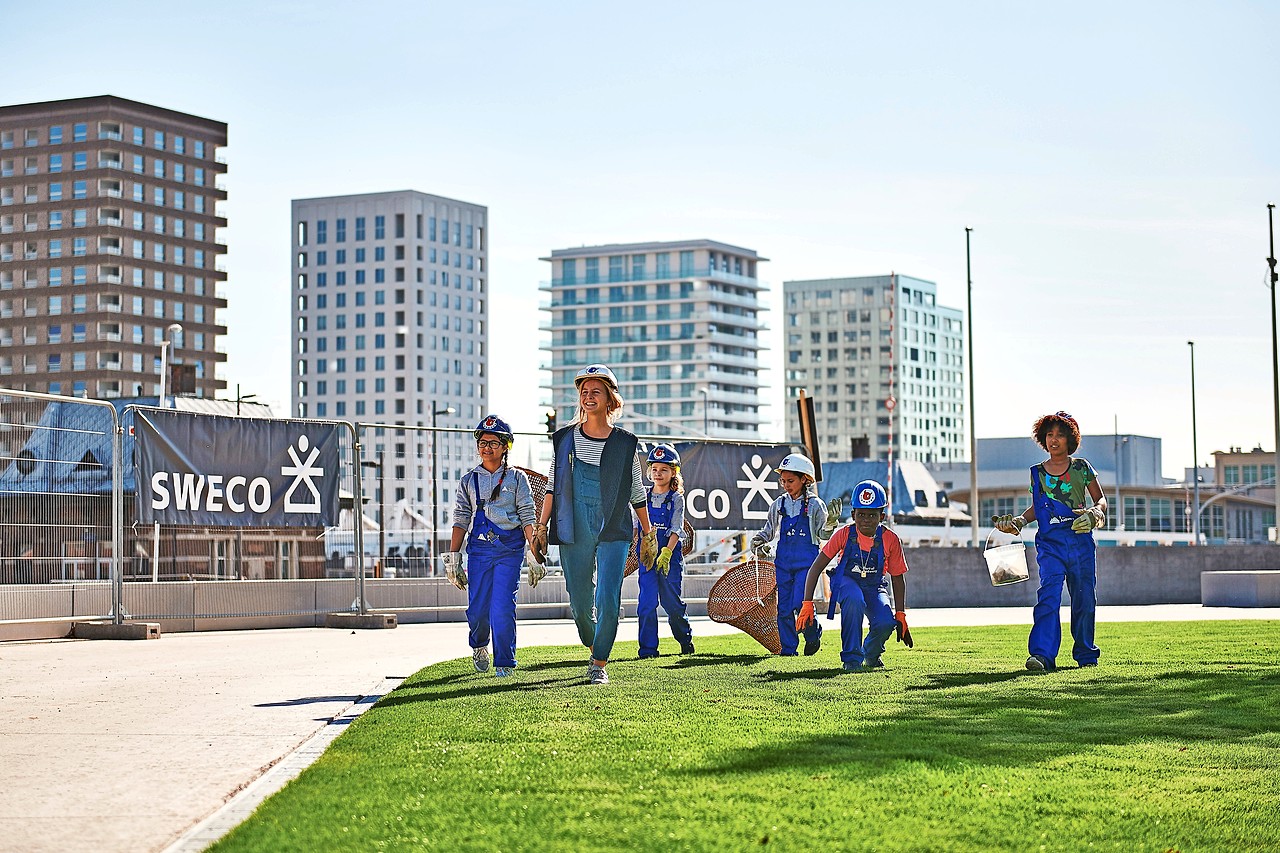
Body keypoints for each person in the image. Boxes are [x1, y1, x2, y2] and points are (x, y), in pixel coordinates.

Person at [533, 364, 655, 685]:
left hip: (614, 523)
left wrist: (648, 532)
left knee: (608, 596)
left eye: (595, 392)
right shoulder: (564, 439)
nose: (588, 397)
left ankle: (599, 662)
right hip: (574, 523)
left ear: (609, 399)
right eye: (584, 392)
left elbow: (636, 489)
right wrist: (541, 526)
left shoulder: (626, 442)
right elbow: (552, 484)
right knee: (579, 598)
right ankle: (593, 636)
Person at [994, 411, 1107, 672]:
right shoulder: (1036, 473)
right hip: (1049, 545)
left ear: (1071, 439)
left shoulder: (1082, 468)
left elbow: (1101, 500)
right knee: (1049, 595)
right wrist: (1020, 522)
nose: (1054, 440)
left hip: (1080, 543)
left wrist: (1096, 514)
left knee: (1084, 598)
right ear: (1043, 439)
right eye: (1050, 435)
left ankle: (1086, 654)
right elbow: (1037, 507)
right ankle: (1042, 656)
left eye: (1060, 435)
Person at [442, 415, 539, 679]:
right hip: (479, 552)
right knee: (477, 609)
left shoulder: (517, 479)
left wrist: (534, 552)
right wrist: (453, 558)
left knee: (503, 606)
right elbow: (461, 519)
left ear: (505, 446)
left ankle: (505, 662)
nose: (486, 448)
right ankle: (479, 646)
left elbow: (528, 515)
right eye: (482, 442)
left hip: (509, 551)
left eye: (493, 443)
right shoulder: (468, 480)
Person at [796, 479, 912, 671]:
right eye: (861, 514)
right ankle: (851, 659)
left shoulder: (891, 540)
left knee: (885, 622)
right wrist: (807, 603)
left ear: (881, 516)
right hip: (845, 582)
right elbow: (816, 567)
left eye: (872, 515)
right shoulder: (843, 534)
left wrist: (900, 614)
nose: (866, 520)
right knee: (854, 599)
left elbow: (898, 577)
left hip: (874, 586)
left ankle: (871, 654)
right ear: (853, 514)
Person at [749, 453, 838, 656]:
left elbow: (823, 533)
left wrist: (831, 523)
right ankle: (788, 650)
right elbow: (769, 531)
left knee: (800, 603)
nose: (786, 485)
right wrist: (758, 540)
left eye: (790, 481)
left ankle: (812, 632)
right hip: (783, 563)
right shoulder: (778, 504)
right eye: (783, 480)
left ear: (804, 479)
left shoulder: (816, 505)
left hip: (807, 563)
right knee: (784, 608)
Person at [635, 443, 695, 659]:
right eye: (655, 469)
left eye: (664, 469)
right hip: (647, 558)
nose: (658, 473)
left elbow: (676, 528)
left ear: (674, 472)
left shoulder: (677, 498)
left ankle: (685, 639)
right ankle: (648, 650)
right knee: (647, 603)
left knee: (672, 604)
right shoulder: (642, 495)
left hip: (670, 557)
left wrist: (667, 553)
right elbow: (636, 526)